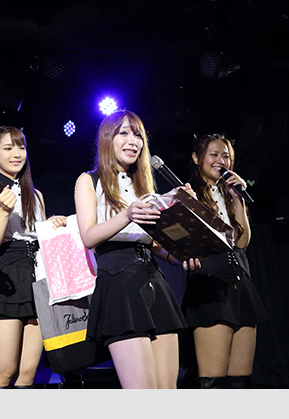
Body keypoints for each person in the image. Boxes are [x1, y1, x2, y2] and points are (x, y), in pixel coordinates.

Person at [73, 110, 187, 389]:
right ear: (107, 139)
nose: (133, 140)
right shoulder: (89, 180)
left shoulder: (144, 186)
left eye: (138, 134)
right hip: (119, 282)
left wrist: (179, 255)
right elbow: (88, 236)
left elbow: (154, 243)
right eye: (123, 132)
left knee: (168, 391)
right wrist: (127, 215)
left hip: (153, 279)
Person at [0, 126, 66, 389]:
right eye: (8, 148)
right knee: (3, 371)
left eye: (21, 147)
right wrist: (3, 211)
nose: (17, 154)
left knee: (27, 373)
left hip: (37, 277)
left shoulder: (36, 195)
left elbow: (40, 238)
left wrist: (52, 227)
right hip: (4, 275)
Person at [180, 133, 268, 389]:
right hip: (209, 284)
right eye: (214, 155)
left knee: (240, 380)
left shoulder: (230, 195)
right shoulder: (187, 194)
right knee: (213, 380)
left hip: (240, 283)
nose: (221, 161)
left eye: (226, 156)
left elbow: (242, 242)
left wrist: (238, 198)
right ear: (197, 158)